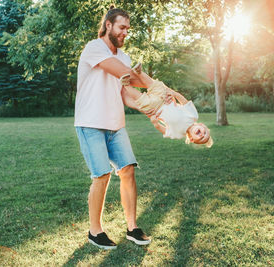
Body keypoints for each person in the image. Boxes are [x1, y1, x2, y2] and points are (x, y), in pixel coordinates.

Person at [74, 6, 156, 250]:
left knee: (128, 170)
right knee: (101, 175)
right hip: (90, 123)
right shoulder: (94, 48)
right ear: (108, 25)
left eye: (127, 30)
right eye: (121, 28)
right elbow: (126, 76)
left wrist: (147, 107)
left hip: (115, 125)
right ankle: (95, 231)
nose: (125, 33)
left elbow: (126, 93)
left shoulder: (125, 57)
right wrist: (161, 88)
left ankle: (132, 227)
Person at [120, 65, 213, 147]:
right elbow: (185, 102)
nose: (202, 134)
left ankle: (126, 85)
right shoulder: (193, 116)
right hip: (164, 98)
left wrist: (155, 123)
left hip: (155, 109)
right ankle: (139, 73)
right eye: (205, 132)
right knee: (157, 86)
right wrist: (173, 93)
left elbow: (164, 131)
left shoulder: (179, 134)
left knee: (141, 100)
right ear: (202, 125)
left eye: (201, 138)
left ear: (192, 139)